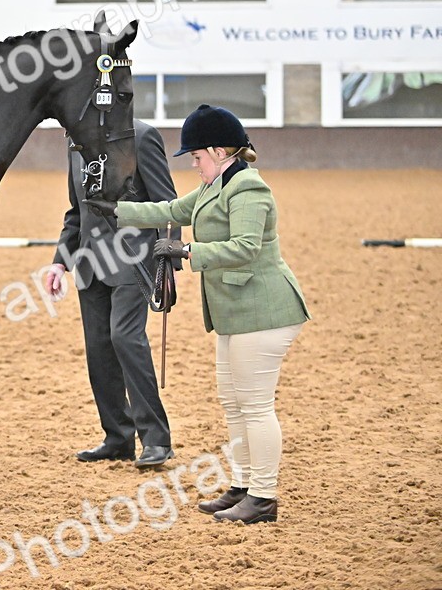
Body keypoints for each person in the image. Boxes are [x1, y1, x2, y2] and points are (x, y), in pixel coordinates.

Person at [87, 104, 310, 524]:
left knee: (256, 406)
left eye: (196, 156)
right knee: (234, 402)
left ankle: (263, 496)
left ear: (219, 151)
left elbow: (246, 247)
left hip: (264, 310)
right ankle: (243, 487)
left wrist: (187, 250)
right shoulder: (214, 187)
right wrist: (117, 210)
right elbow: (170, 210)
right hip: (235, 313)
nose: (193, 164)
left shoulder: (248, 190)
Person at [43, 120, 179, 470]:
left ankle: (156, 440)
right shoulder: (74, 140)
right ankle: (118, 438)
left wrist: (168, 262)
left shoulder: (142, 136)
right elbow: (78, 210)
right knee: (99, 349)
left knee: (125, 337)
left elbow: (167, 202)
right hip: (90, 264)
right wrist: (61, 262)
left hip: (134, 258)